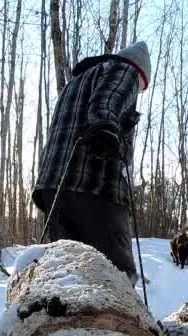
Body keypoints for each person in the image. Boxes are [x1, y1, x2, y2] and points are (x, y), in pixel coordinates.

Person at [33, 42, 152, 282]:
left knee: (68, 272)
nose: (136, 91)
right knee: (115, 274)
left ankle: (67, 319)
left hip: (52, 186)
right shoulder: (124, 70)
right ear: (140, 73)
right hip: (94, 183)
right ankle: (123, 318)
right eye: (140, 88)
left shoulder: (75, 83)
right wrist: (104, 126)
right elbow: (107, 100)